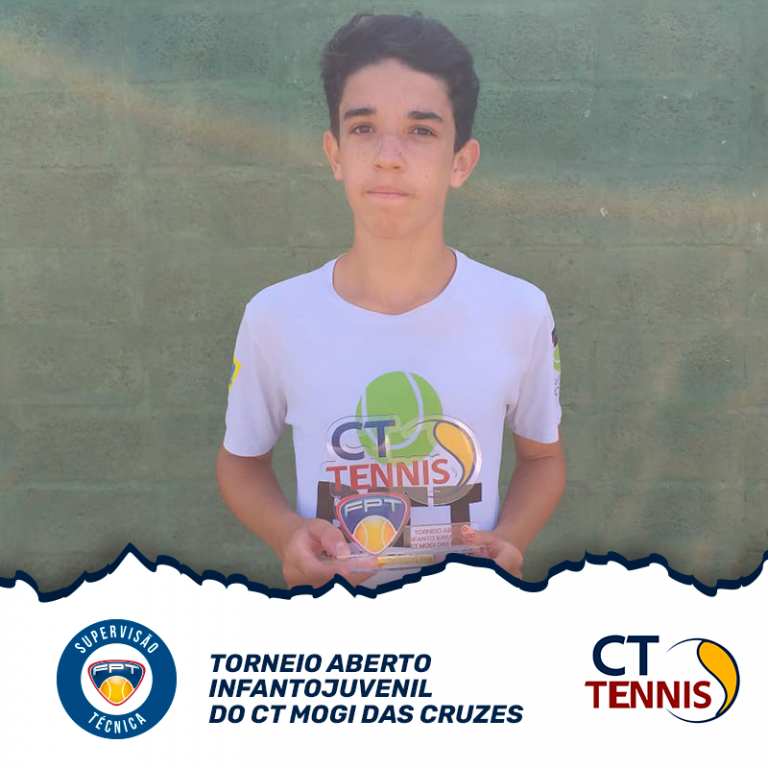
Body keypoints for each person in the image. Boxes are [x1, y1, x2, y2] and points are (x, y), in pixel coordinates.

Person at [216, 12, 566, 590]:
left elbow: (543, 459)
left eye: (421, 131)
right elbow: (241, 461)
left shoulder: (519, 311)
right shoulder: (275, 317)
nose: (388, 155)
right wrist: (285, 532)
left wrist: (511, 538)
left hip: (465, 615)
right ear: (334, 154)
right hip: (331, 629)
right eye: (363, 128)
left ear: (461, 162)